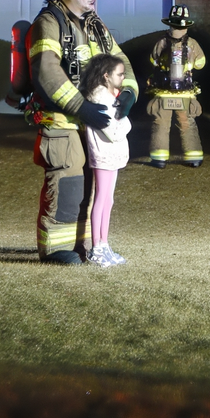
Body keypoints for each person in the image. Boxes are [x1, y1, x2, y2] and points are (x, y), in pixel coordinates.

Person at [27, 0, 138, 264]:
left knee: (91, 189)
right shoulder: (48, 23)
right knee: (69, 186)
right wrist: (81, 108)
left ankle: (88, 246)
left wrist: (128, 91)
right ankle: (57, 250)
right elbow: (47, 73)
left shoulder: (95, 25)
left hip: (92, 126)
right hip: (62, 124)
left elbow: (120, 61)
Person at [80, 53, 132, 268]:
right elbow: (114, 130)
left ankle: (104, 243)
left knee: (107, 200)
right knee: (101, 199)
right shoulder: (100, 98)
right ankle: (97, 247)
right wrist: (128, 124)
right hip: (104, 153)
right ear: (106, 76)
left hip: (111, 154)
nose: (123, 78)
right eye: (119, 74)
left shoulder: (110, 96)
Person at [147, 5, 207, 168]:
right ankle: (193, 157)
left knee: (160, 123)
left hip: (164, 92)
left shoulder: (161, 42)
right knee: (187, 122)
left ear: (170, 24)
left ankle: (159, 158)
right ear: (186, 25)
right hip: (185, 93)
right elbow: (201, 63)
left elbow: (153, 61)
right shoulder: (193, 43)